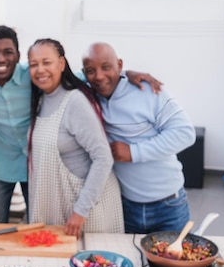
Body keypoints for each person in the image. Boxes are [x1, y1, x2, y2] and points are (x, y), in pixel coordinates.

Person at [0, 26, 162, 224]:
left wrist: (123, 73)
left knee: (37, 225)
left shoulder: (33, 75)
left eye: (8, 52)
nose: (0, 58)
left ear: (18, 56)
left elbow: (80, 74)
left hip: (35, 169)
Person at [82, 42, 195, 234]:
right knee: (130, 262)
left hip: (168, 206)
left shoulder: (148, 90)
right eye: (91, 71)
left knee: (171, 263)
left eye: (106, 67)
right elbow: (64, 76)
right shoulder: (89, 92)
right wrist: (126, 71)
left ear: (119, 64)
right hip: (125, 207)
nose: (99, 76)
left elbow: (185, 133)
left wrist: (133, 152)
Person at [27, 38, 124, 236]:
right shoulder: (41, 98)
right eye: (33, 65)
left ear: (62, 64)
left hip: (86, 212)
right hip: (59, 204)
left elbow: (103, 157)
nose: (40, 70)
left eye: (47, 62)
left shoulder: (75, 101)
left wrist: (80, 211)